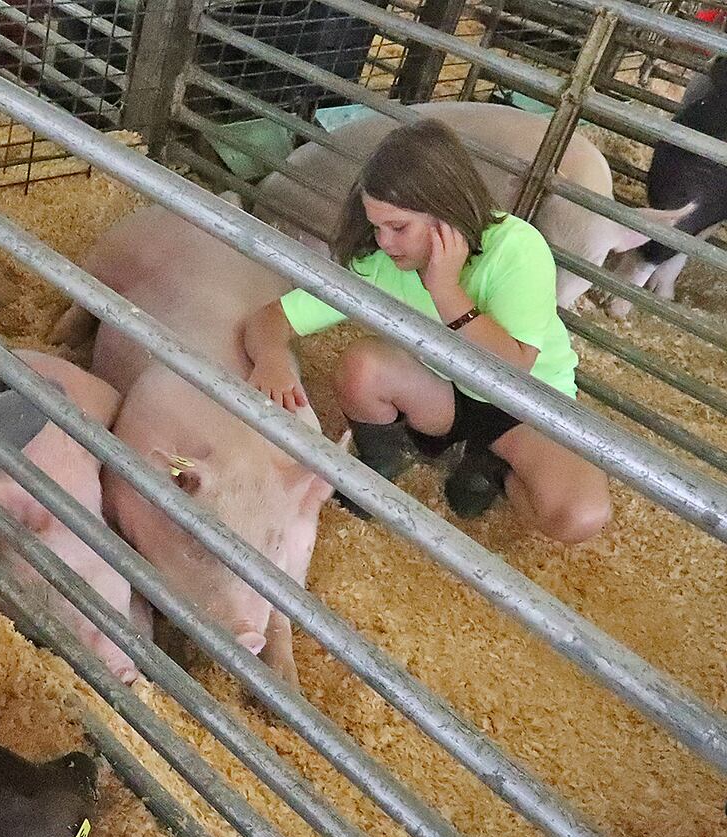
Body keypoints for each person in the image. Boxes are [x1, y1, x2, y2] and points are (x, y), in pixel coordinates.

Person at [238, 118, 611, 543]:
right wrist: (271, 359)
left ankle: (491, 464)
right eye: (376, 226)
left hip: (526, 402)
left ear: (444, 214)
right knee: (361, 367)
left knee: (579, 516)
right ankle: (381, 464)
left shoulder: (516, 249)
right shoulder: (379, 263)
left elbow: (513, 368)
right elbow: (271, 318)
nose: (384, 242)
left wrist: (445, 289)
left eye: (398, 227)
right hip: (444, 390)